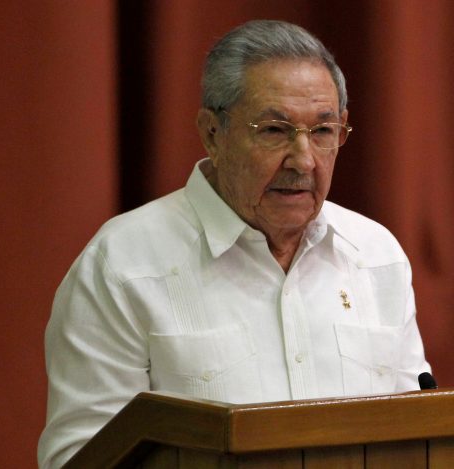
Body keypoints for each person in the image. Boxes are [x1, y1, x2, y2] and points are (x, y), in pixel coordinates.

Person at [37, 20, 431, 468]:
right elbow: (83, 459)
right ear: (212, 133)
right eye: (274, 130)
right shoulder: (123, 265)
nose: (303, 160)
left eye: (323, 132)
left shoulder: (375, 256)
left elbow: (415, 438)